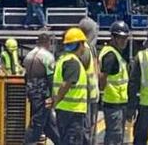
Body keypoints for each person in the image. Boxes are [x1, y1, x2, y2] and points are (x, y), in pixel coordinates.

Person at [52, 28, 91, 145]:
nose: (84, 47)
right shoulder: (73, 62)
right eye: (83, 43)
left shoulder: (63, 59)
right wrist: (56, 101)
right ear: (78, 44)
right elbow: (66, 84)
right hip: (72, 112)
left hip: (66, 111)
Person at [24, 32, 61, 145]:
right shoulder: (47, 56)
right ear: (47, 43)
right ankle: (29, 142)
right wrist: (53, 96)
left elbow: (26, 76)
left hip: (31, 91)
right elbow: (50, 78)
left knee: (49, 123)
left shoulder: (28, 55)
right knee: (38, 121)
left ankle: (60, 141)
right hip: (42, 94)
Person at [99, 22, 130, 145]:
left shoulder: (116, 53)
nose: (124, 41)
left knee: (117, 135)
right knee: (115, 136)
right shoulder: (110, 55)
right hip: (113, 102)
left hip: (119, 102)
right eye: (120, 38)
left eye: (125, 38)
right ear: (113, 38)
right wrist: (103, 90)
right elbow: (102, 77)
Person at [78, 17, 100, 145]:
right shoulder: (83, 49)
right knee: (86, 129)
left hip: (91, 95)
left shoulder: (91, 48)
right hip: (85, 97)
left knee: (90, 128)